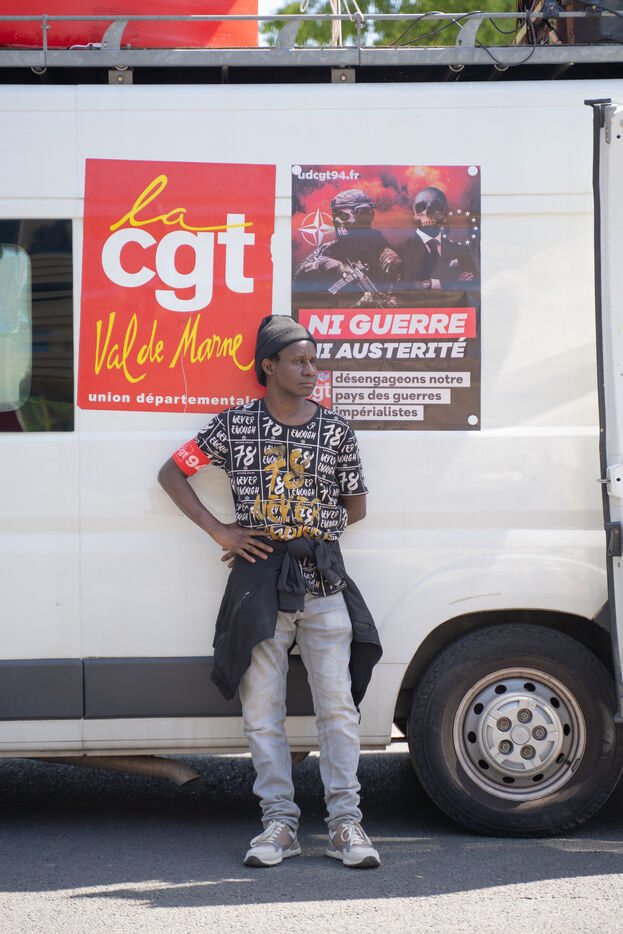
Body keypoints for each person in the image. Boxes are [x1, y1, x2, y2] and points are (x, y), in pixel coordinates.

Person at [157, 314, 382, 869]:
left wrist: (308, 534)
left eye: (314, 361)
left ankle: (346, 824)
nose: (311, 370)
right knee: (262, 710)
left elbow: (356, 506)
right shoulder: (235, 425)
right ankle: (279, 824)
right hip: (259, 584)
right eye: (299, 361)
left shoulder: (335, 430)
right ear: (269, 366)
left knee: (338, 707)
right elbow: (172, 473)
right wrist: (221, 531)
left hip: (323, 584)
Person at [294, 189, 401, 305]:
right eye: (335, 216)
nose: (336, 221)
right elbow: (297, 277)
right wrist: (324, 264)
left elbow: (395, 304)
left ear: (363, 216)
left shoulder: (388, 260)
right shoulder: (328, 249)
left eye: (343, 216)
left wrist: (362, 306)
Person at [399, 186, 479, 292]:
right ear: (413, 213)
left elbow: (475, 285)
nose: (428, 212)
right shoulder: (401, 250)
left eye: (437, 206)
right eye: (421, 207)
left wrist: (425, 284)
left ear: (445, 215)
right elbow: (402, 286)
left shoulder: (460, 251)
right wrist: (452, 282)